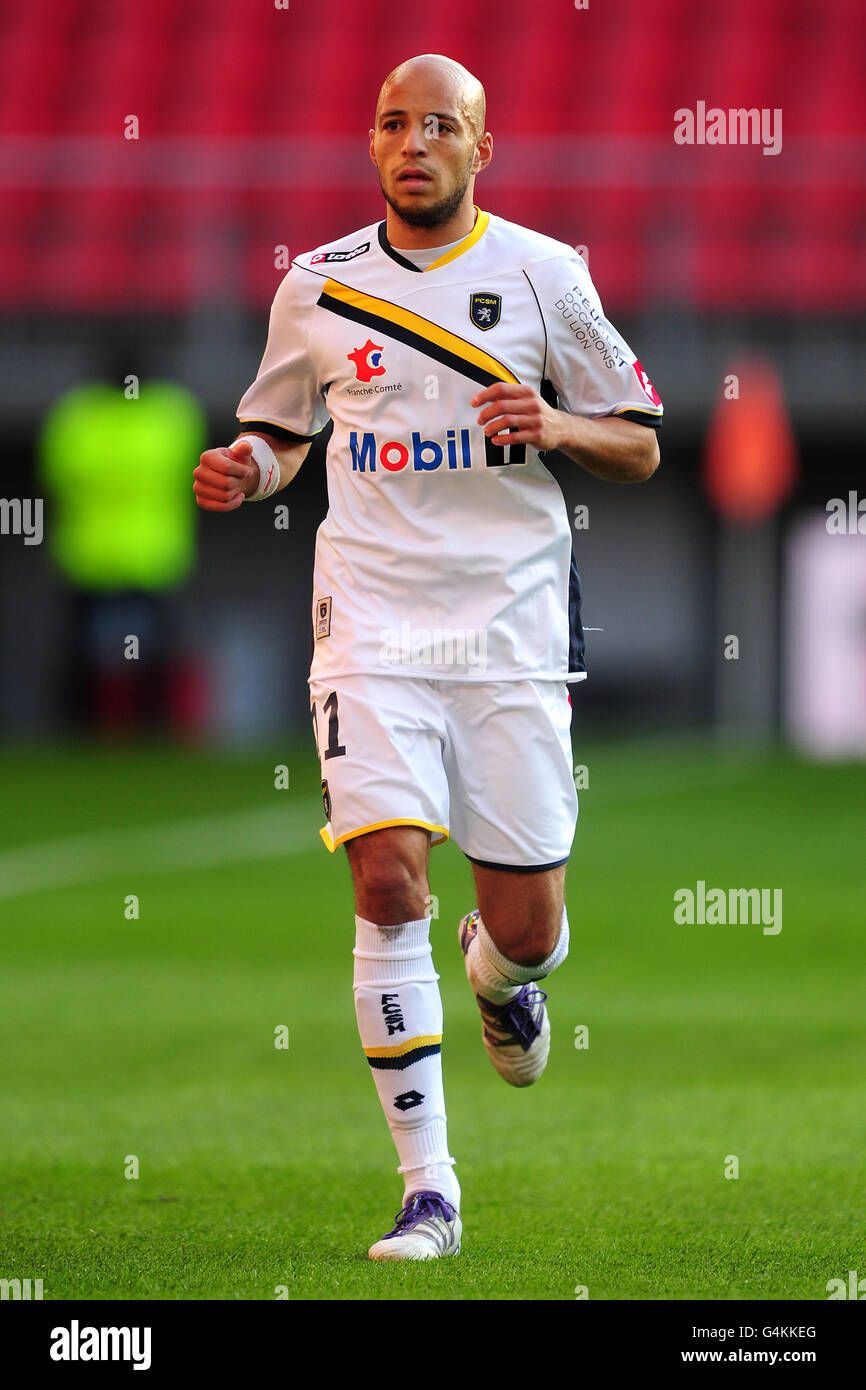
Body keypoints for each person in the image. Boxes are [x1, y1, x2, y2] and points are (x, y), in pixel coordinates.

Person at [193, 53, 662, 1261]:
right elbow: (279, 429)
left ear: (479, 149)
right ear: (371, 145)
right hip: (373, 623)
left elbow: (639, 446)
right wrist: (250, 471)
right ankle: (428, 1192)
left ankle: (502, 979)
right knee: (386, 874)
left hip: (506, 630)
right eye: (395, 124)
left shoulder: (545, 274)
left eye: (440, 126)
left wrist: (556, 423)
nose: (416, 144)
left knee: (530, 920)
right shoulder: (316, 286)